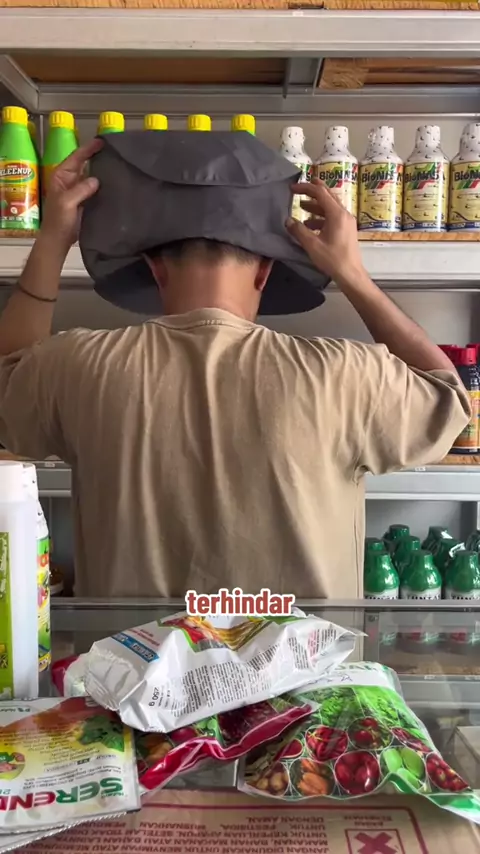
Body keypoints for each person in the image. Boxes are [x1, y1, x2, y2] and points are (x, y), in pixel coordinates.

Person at [0, 142, 469, 598]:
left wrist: (52, 241)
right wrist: (354, 275)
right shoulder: (345, 375)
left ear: (155, 270)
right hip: (306, 657)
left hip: (130, 656)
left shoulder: (78, 366)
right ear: (264, 273)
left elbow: (7, 385)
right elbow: (448, 399)